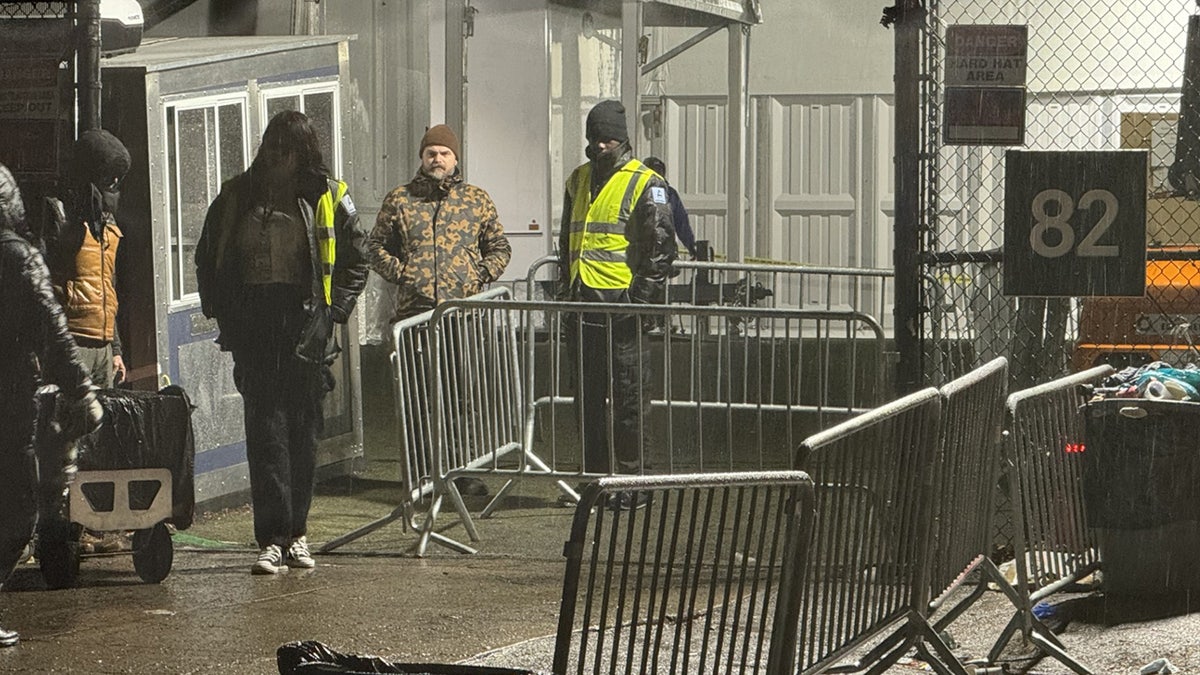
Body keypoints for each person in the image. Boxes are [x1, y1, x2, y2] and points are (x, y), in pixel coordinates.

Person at [195, 111, 369, 574]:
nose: (279, 157)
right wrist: (220, 310)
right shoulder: (236, 195)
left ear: (305, 152)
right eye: (273, 145)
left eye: (288, 148)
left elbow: (358, 258)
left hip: (306, 320)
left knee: (303, 432)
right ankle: (272, 538)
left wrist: (334, 314)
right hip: (255, 322)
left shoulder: (332, 195)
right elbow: (207, 255)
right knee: (265, 431)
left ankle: (297, 533)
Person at [366, 124, 511, 498]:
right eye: (431, 152)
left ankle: (462, 471)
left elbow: (500, 248)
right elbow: (374, 247)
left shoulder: (475, 200)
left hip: (460, 316)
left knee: (461, 395)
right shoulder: (400, 200)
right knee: (416, 396)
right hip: (414, 318)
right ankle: (422, 474)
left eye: (444, 153)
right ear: (421, 157)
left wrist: (478, 275)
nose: (437, 159)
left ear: (456, 158)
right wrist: (403, 273)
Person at [0, 162, 103, 646]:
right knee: (19, 503)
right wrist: (81, 390)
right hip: (8, 399)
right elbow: (52, 326)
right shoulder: (18, 256)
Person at [557, 100, 676, 509]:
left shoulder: (645, 182)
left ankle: (631, 483)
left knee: (628, 401)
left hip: (622, 308)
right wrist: (564, 292)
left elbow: (660, 250)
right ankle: (595, 482)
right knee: (588, 401)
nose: (601, 145)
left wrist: (638, 301)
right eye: (595, 137)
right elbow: (566, 242)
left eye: (608, 137)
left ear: (623, 138)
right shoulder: (578, 179)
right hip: (583, 303)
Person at [44, 129, 131, 389]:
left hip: (102, 347)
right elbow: (39, 288)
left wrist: (115, 349)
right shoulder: (56, 215)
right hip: (71, 343)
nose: (114, 187)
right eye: (109, 179)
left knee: (103, 426)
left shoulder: (107, 222)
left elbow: (107, 288)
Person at [642, 156, 696, 258]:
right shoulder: (638, 191)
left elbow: (681, 222)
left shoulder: (670, 194)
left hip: (664, 248)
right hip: (642, 249)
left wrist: (691, 245)